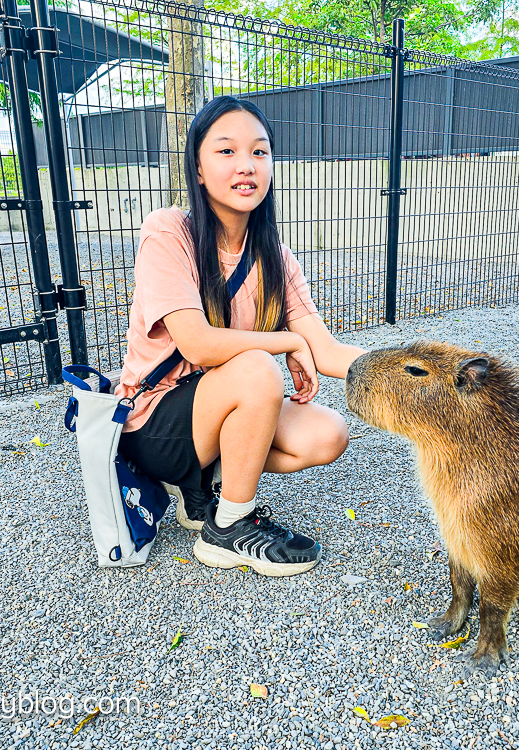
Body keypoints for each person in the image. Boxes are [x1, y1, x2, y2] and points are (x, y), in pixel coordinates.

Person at [115, 96, 366, 577]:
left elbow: (327, 348)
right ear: (199, 169)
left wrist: (422, 374)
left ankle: (201, 490)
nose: (246, 165)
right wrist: (286, 343)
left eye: (259, 151)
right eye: (226, 152)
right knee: (256, 369)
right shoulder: (169, 232)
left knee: (328, 434)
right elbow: (199, 345)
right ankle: (226, 529)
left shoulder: (274, 255)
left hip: (211, 411)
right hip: (154, 424)